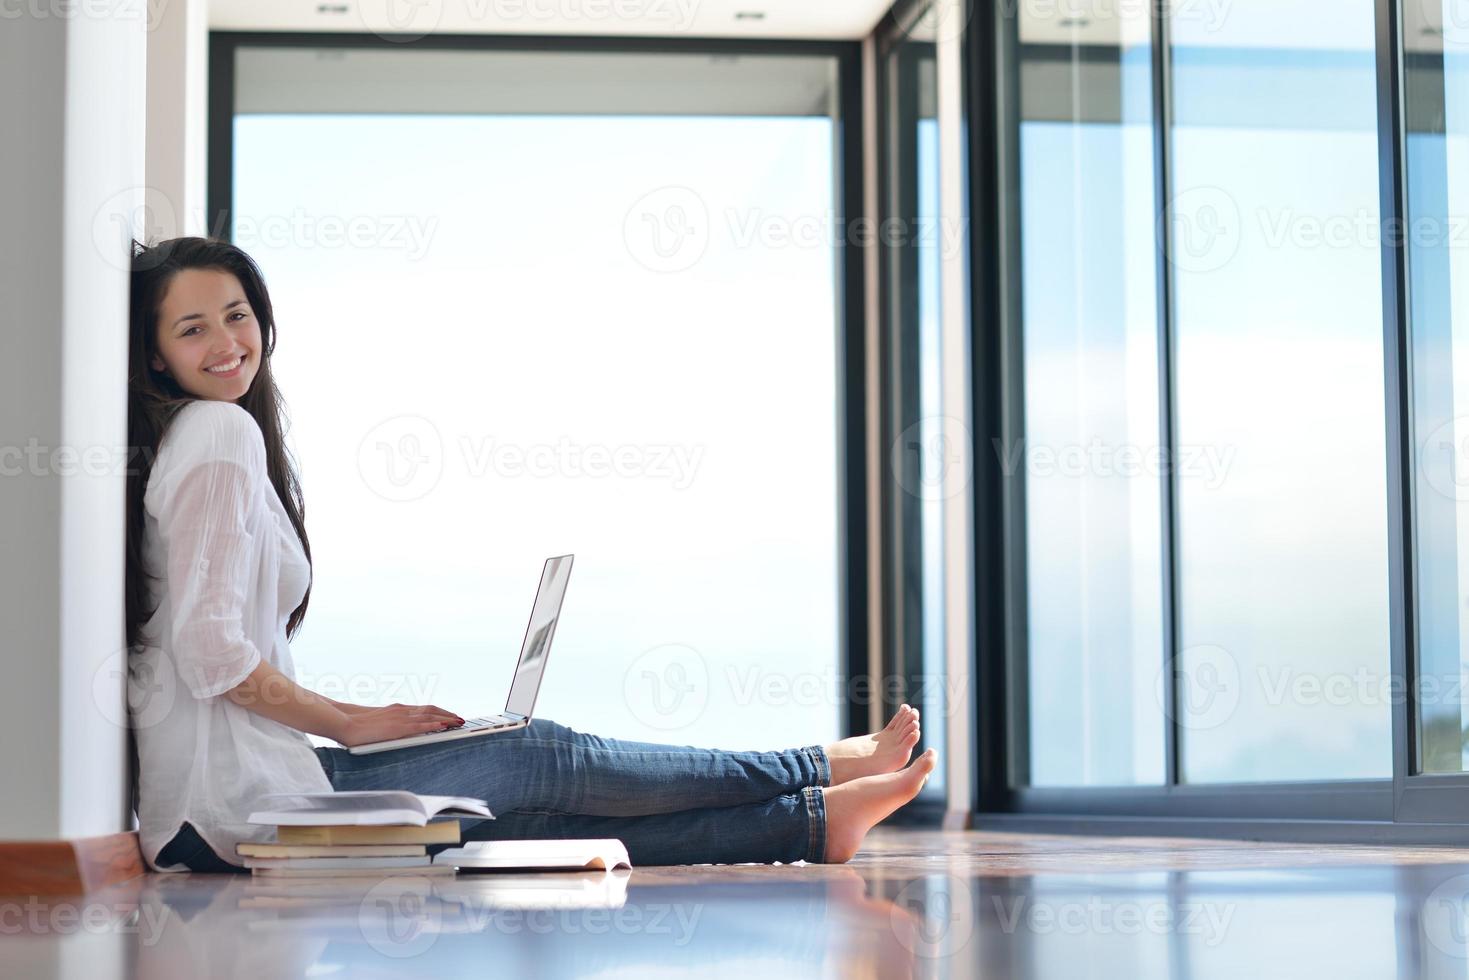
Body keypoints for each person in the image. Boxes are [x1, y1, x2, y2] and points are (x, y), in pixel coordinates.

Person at [125, 237, 938, 873]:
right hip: (235, 807)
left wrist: (341, 736)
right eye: (191, 327)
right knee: (537, 753)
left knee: (519, 824)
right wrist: (352, 723)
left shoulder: (217, 438)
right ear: (157, 354)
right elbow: (210, 654)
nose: (226, 341)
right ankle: (813, 765)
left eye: (236, 314)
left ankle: (810, 823)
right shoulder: (218, 433)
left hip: (215, 813)